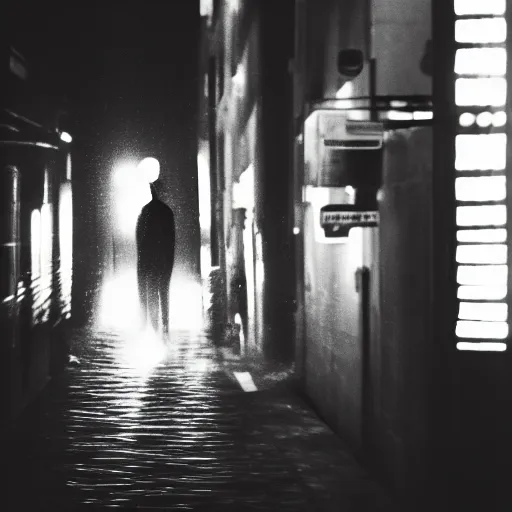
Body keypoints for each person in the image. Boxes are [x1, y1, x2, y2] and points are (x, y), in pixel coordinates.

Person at [136, 180, 175, 334]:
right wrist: (169, 261)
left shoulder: (145, 211)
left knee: (152, 291)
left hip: (149, 259)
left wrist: (141, 263)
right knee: (164, 291)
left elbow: (140, 239)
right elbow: (171, 239)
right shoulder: (167, 212)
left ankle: (153, 325)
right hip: (164, 259)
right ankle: (164, 325)